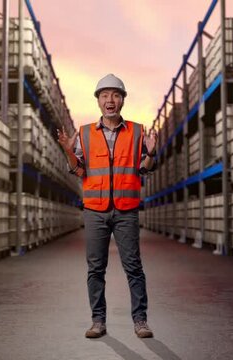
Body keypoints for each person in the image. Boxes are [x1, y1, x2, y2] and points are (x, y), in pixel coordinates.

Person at [57, 74, 157, 339]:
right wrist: (69, 150)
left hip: (126, 210)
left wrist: (152, 152)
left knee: (133, 267)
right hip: (95, 210)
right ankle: (98, 321)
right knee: (95, 269)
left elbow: (143, 170)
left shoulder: (137, 131)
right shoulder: (85, 132)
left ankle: (140, 321)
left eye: (115, 95)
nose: (109, 100)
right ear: (98, 101)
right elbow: (79, 171)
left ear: (122, 99)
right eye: (104, 95)